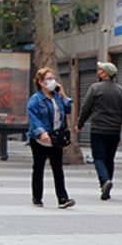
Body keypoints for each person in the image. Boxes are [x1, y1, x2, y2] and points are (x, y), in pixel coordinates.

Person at [77, 61, 122, 201]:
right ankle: (107, 185)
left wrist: (80, 124)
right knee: (110, 159)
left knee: (99, 158)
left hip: (98, 129)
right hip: (114, 131)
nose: (98, 72)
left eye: (100, 70)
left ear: (105, 74)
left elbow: (86, 108)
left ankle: (104, 181)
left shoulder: (95, 88)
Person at [27, 67, 75, 209]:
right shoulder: (36, 99)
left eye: (53, 78)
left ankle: (62, 198)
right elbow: (33, 116)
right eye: (48, 79)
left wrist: (63, 94)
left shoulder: (57, 97)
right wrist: (41, 132)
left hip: (56, 138)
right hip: (40, 139)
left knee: (58, 168)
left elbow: (67, 110)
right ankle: (37, 197)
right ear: (41, 82)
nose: (52, 81)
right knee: (38, 167)